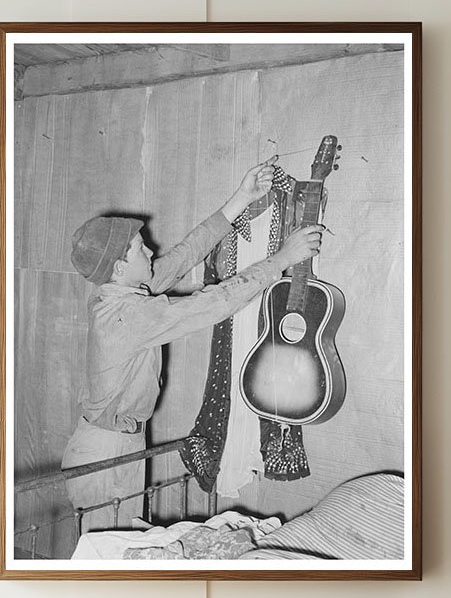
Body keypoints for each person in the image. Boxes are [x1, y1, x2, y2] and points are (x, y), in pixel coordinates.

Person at [62, 156, 323, 528]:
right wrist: (281, 258)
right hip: (105, 448)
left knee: (124, 548)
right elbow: (212, 304)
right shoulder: (128, 316)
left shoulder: (122, 292)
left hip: (119, 441)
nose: (150, 251)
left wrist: (240, 199)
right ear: (120, 267)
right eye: (139, 248)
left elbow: (186, 254)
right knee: (107, 558)